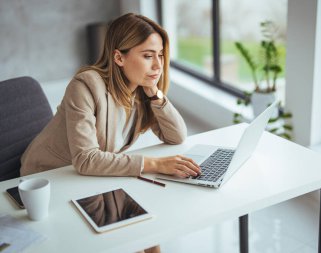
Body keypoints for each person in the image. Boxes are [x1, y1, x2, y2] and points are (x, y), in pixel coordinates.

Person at [21, 12, 200, 253]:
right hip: (51, 179)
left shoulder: (140, 89)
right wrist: (156, 164)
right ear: (119, 57)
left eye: (160, 56)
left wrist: (155, 92)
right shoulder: (84, 86)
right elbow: (86, 159)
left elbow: (177, 136)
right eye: (148, 56)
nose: (158, 65)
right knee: (136, 232)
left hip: (90, 177)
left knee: (147, 230)